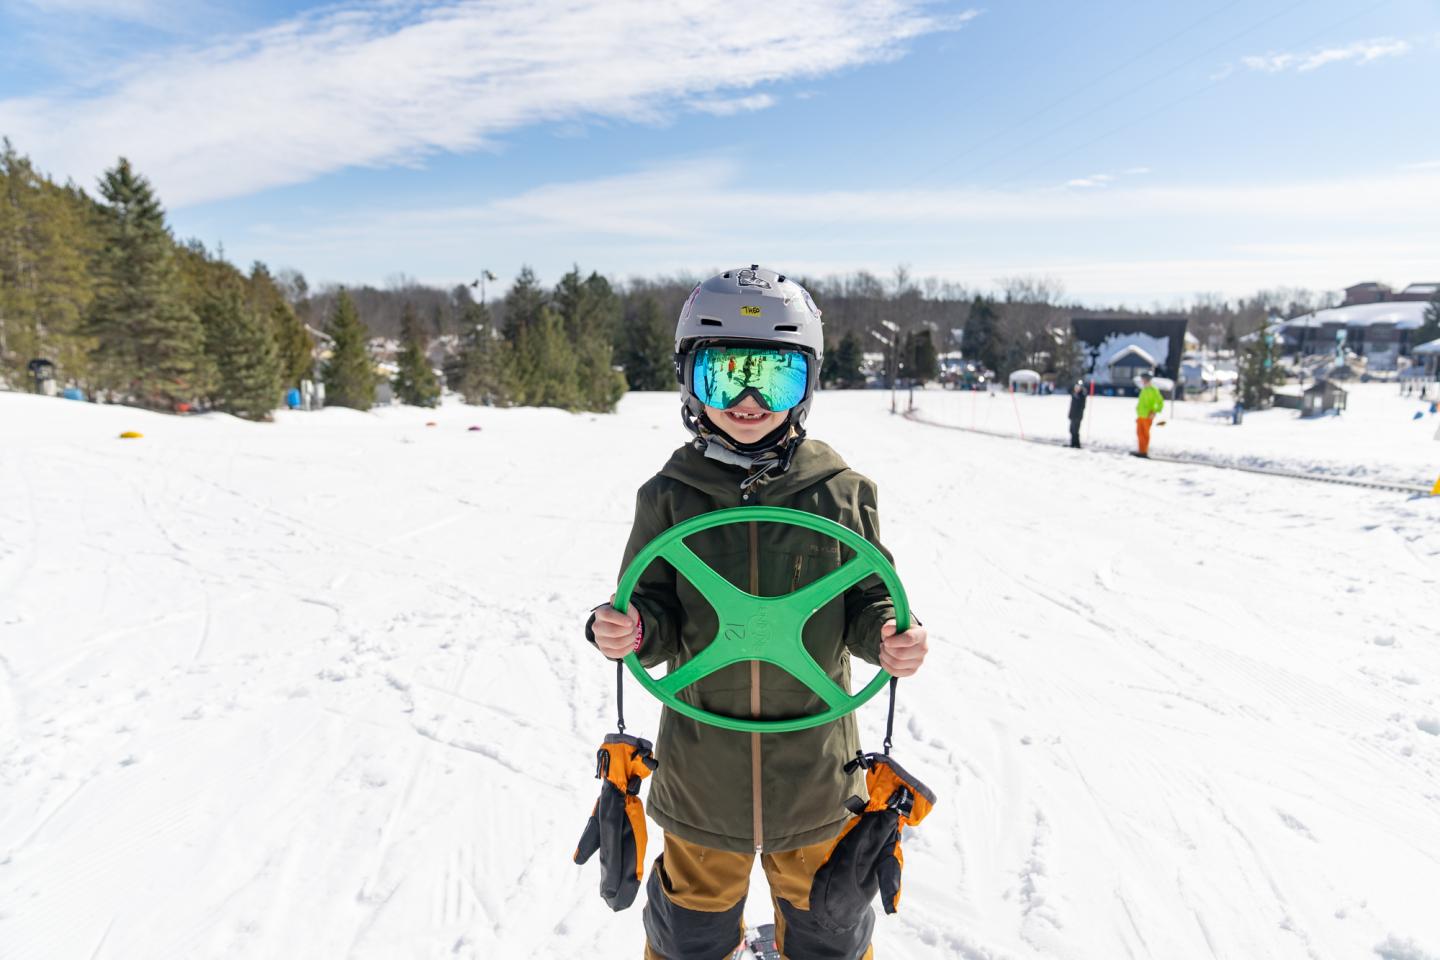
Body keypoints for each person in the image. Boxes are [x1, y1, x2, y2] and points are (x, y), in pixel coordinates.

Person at [587, 266, 929, 960]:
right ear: (690, 382)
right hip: (700, 772)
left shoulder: (840, 494)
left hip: (816, 773)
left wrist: (889, 637)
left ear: (807, 386)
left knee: (830, 923)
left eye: (773, 377)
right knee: (689, 931)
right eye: (724, 376)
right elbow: (650, 606)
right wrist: (633, 629)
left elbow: (867, 602)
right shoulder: (669, 497)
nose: (747, 400)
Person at [1134, 371, 1164, 458]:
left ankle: (1144, 451)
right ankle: (1141, 451)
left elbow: (1160, 402)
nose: (1142, 381)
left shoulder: (1154, 390)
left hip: (1148, 416)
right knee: (1139, 433)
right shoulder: (1144, 390)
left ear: (1147, 380)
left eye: (1143, 379)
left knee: (1145, 434)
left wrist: (1154, 411)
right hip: (1141, 415)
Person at [1067, 380, 1087, 448]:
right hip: (1072, 415)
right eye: (1076, 387)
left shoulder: (1082, 395)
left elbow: (1082, 406)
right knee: (1071, 430)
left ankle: (1077, 444)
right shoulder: (1074, 394)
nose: (1076, 388)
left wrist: (1077, 397)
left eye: (1078, 387)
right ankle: (1073, 443)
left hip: (1078, 416)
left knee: (1076, 431)